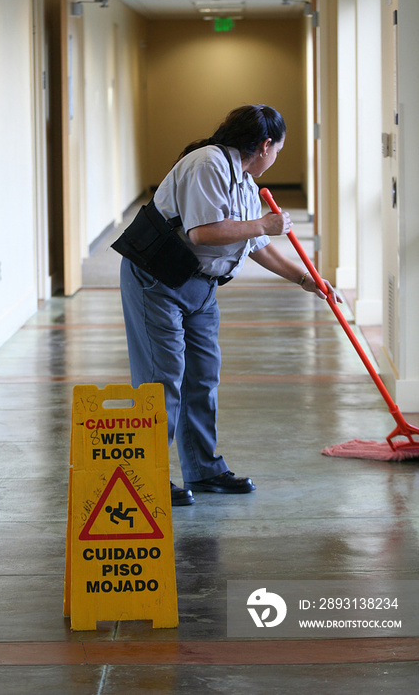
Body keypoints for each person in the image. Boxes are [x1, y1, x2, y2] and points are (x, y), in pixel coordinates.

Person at [119, 104, 341, 507]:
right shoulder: (208, 163)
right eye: (278, 151)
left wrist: (307, 280)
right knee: (161, 379)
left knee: (202, 378)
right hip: (156, 279)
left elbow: (256, 246)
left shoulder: (244, 180)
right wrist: (263, 224)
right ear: (266, 144)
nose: (276, 160)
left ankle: (203, 470)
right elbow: (203, 233)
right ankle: (146, 479)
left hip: (200, 285)